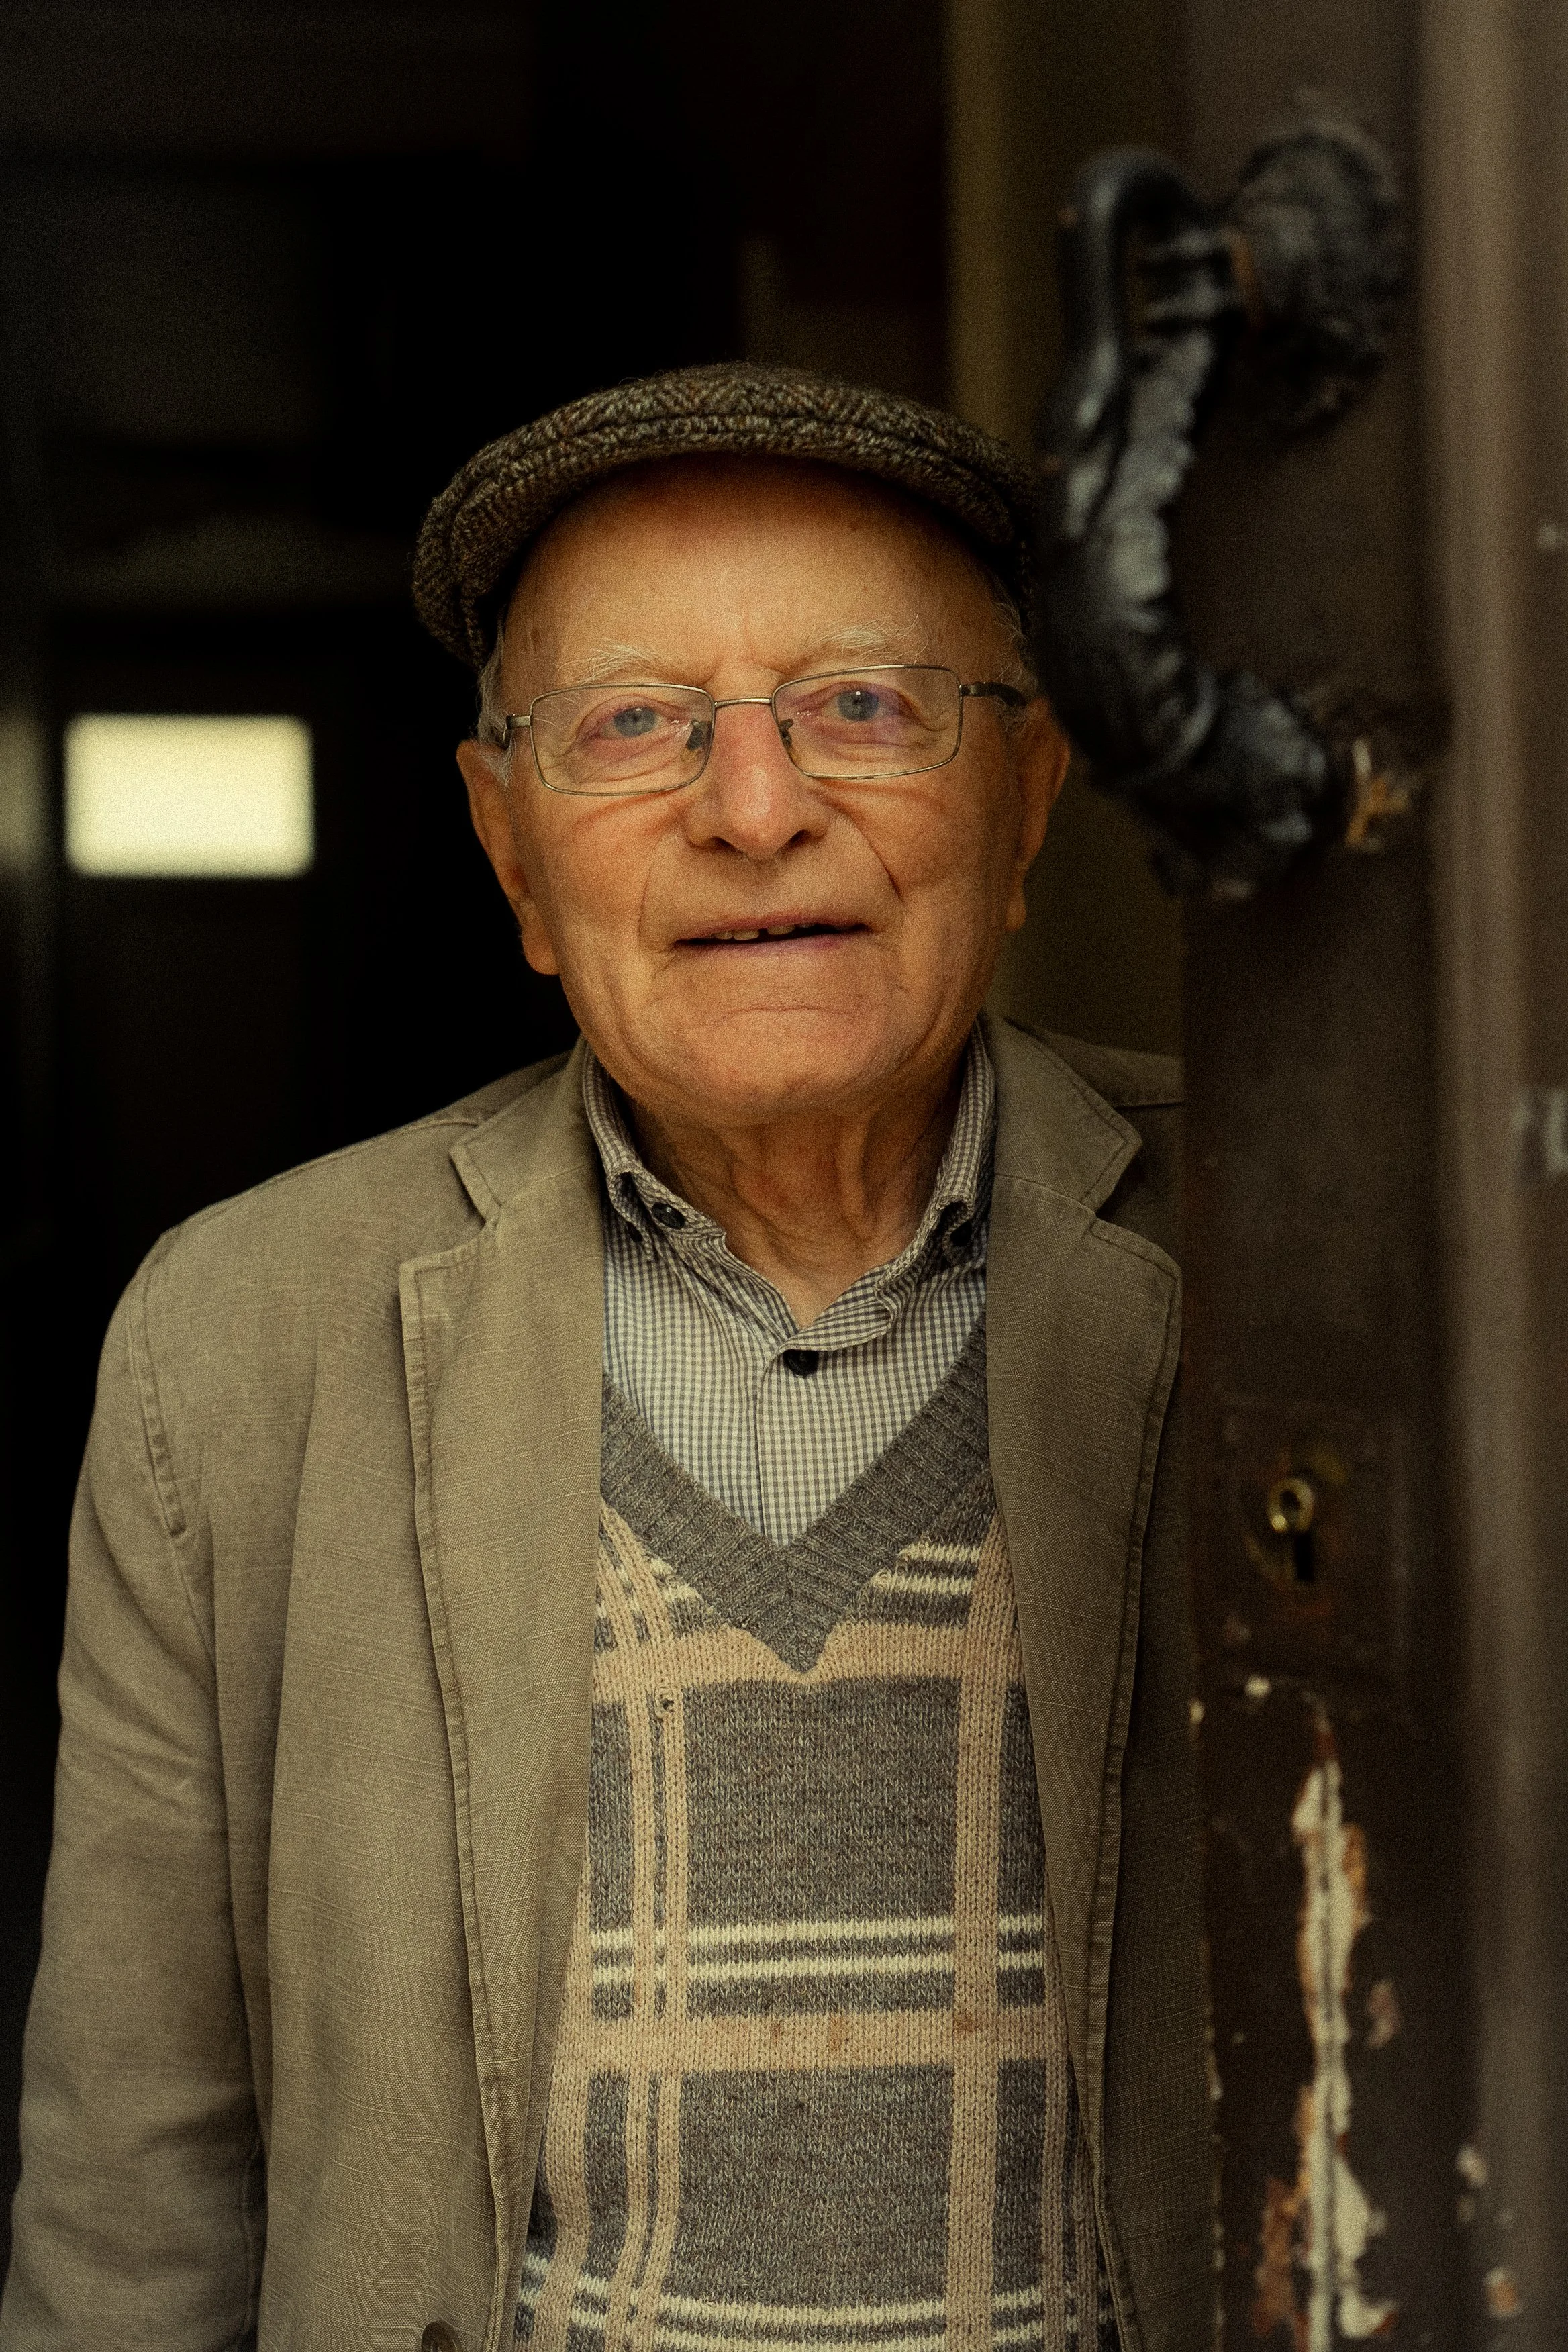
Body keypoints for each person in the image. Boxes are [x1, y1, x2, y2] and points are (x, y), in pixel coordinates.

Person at [1, 366, 1210, 2352]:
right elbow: (136, 2174)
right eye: (639, 726)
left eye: (866, 708)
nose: (756, 808)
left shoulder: (1307, 1280)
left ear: (1031, 797)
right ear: (509, 845)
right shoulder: (234, 1341)